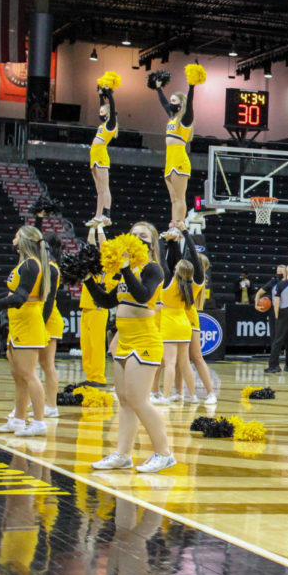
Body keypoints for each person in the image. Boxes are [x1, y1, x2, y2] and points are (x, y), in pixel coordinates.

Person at [84, 221, 176, 474]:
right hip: (123, 340)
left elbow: (144, 295)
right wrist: (88, 281)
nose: (136, 238)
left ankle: (164, 453)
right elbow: (105, 300)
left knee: (138, 400)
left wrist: (125, 269)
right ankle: (123, 454)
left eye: (143, 235)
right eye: (133, 234)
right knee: (124, 401)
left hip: (144, 340)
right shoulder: (129, 270)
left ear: (152, 242)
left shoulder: (153, 269)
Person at [0, 226, 52, 437]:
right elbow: (16, 292)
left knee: (29, 375)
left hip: (28, 324)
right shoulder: (26, 264)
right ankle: (18, 420)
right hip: (18, 324)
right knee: (19, 376)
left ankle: (39, 422)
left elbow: (20, 299)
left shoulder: (31, 264)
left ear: (23, 240)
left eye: (16, 235)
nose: (13, 238)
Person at [152, 223, 198, 405]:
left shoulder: (168, 283)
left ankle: (164, 397)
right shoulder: (189, 285)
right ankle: (192, 395)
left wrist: (164, 241)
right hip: (184, 326)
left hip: (170, 326)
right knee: (185, 363)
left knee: (169, 363)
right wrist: (174, 243)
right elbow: (175, 262)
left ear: (177, 271)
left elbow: (163, 261)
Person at [155, 77, 195, 229]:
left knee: (180, 197)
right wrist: (158, 88)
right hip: (169, 160)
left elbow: (190, 103)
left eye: (174, 101)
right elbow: (163, 103)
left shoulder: (185, 120)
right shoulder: (172, 118)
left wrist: (192, 86)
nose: (170, 103)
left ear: (181, 104)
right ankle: (173, 225)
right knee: (173, 199)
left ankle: (179, 225)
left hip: (179, 160)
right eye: (170, 100)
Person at [185, 252, 217, 404]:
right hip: (179, 317)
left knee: (196, 357)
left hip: (188, 318)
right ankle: (179, 393)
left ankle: (210, 392)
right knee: (180, 360)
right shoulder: (190, 278)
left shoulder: (196, 280)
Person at [78, 226, 109, 388]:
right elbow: (90, 246)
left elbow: (104, 246)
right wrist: (91, 229)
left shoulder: (107, 264)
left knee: (96, 345)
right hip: (86, 306)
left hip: (99, 307)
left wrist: (100, 228)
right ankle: (90, 376)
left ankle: (98, 377)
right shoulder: (90, 263)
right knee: (86, 345)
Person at [38, 232, 63, 417]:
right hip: (40, 318)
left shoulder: (52, 268)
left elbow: (49, 299)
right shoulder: (41, 266)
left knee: (47, 364)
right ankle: (39, 402)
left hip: (48, 319)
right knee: (37, 364)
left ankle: (52, 406)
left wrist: (41, 323)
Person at [86, 86, 117, 227]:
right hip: (94, 156)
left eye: (103, 111)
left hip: (101, 156)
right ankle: (102, 214)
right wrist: (100, 96)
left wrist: (109, 95)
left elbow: (111, 106)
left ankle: (100, 215)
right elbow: (103, 106)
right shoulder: (103, 124)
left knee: (103, 189)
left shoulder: (111, 125)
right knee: (100, 188)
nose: (100, 113)